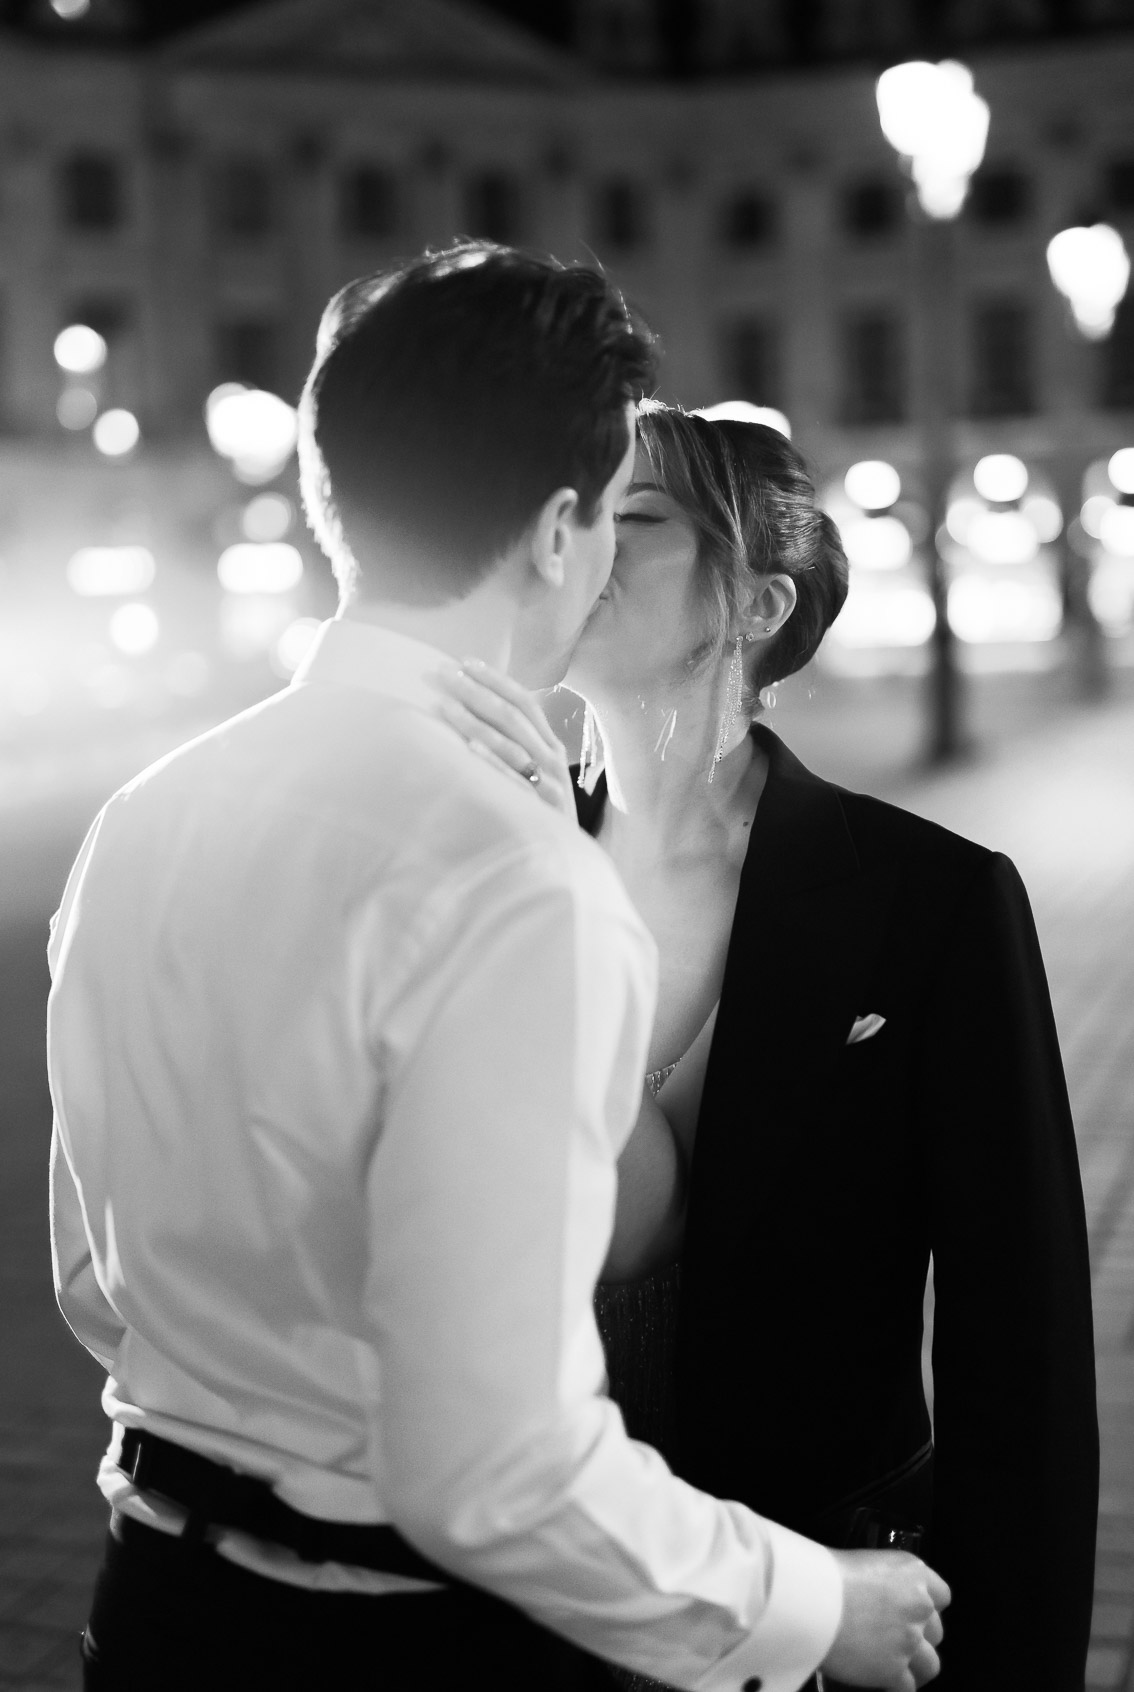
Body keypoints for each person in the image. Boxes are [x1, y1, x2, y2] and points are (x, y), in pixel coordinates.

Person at [46, 249, 951, 1692]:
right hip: (398, 1638)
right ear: (555, 533)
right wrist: (811, 1605)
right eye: (609, 512)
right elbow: (499, 1471)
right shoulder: (518, 879)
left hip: (153, 1600)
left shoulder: (148, 816)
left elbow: (97, 1279)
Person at [435, 402, 1099, 1692]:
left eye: (636, 521)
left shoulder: (932, 900)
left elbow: (1017, 1350)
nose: (579, 548)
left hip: (822, 1604)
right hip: (534, 1600)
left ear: (756, 603)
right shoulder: (483, 879)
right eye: (569, 517)